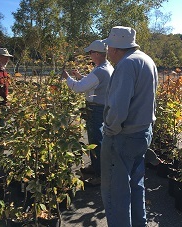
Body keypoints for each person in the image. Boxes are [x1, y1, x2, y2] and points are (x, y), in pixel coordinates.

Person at [101, 26, 158, 226]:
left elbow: (118, 109)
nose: (107, 50)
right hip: (143, 133)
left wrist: (109, 131)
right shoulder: (147, 60)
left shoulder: (126, 65)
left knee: (115, 193)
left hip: (123, 136)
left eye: (109, 46)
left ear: (116, 47)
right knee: (136, 185)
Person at [61, 40, 114, 186]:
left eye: (91, 53)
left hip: (96, 109)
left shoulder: (100, 71)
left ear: (97, 54)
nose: (89, 55)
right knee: (97, 140)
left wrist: (67, 78)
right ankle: (96, 167)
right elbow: (92, 85)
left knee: (96, 141)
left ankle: (100, 175)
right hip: (102, 107)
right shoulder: (106, 68)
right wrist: (79, 76)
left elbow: (79, 88)